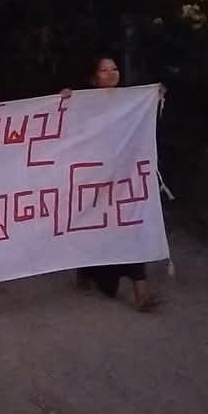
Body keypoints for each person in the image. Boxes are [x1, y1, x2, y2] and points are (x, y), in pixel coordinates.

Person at [72, 56, 163, 312]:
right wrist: (63, 99)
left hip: (123, 178)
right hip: (92, 179)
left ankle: (141, 293)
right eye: (103, 70)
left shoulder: (130, 101)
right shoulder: (83, 104)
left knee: (128, 226)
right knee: (93, 227)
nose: (111, 73)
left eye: (114, 68)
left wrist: (153, 98)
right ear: (93, 77)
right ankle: (86, 270)